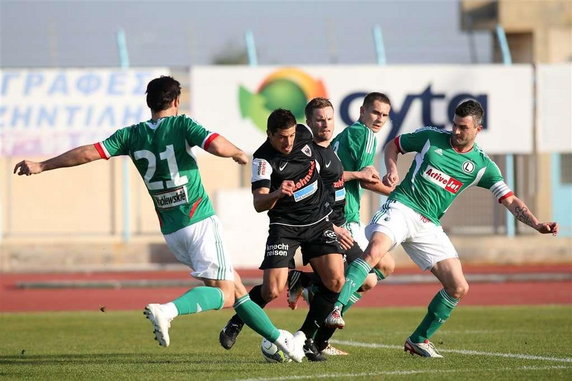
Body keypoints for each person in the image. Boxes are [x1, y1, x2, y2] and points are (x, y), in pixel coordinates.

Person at [13, 75, 305, 363]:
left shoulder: (131, 134)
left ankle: (282, 342)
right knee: (225, 293)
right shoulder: (182, 124)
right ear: (176, 101)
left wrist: (41, 164)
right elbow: (214, 144)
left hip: (172, 230)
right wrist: (238, 153)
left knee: (237, 288)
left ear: (149, 103)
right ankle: (168, 311)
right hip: (199, 221)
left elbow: (89, 152)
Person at [324, 99, 559, 358]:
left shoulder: (482, 166)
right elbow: (395, 145)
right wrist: (392, 169)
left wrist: (536, 224)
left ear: (477, 130)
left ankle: (418, 339)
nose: (457, 132)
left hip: (429, 224)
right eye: (455, 125)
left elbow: (510, 199)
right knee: (375, 252)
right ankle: (335, 308)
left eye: (463, 128)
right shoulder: (431, 137)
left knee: (458, 286)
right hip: (402, 206)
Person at [218, 108, 346, 361]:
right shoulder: (263, 160)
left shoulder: (304, 134)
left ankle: (306, 339)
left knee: (336, 281)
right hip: (284, 227)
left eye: (290, 136)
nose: (288, 142)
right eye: (281, 138)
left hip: (318, 222)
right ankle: (235, 321)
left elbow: (323, 135)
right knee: (271, 291)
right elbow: (258, 202)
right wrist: (277, 193)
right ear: (269, 135)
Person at [286, 97, 386, 356]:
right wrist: (397, 192)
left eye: (384, 115)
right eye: (375, 112)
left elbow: (338, 175)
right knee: (368, 275)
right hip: (341, 216)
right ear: (362, 111)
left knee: (377, 270)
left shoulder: (340, 137)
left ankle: (308, 285)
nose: (379, 119)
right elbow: (364, 178)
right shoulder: (363, 134)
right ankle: (316, 338)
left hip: (342, 214)